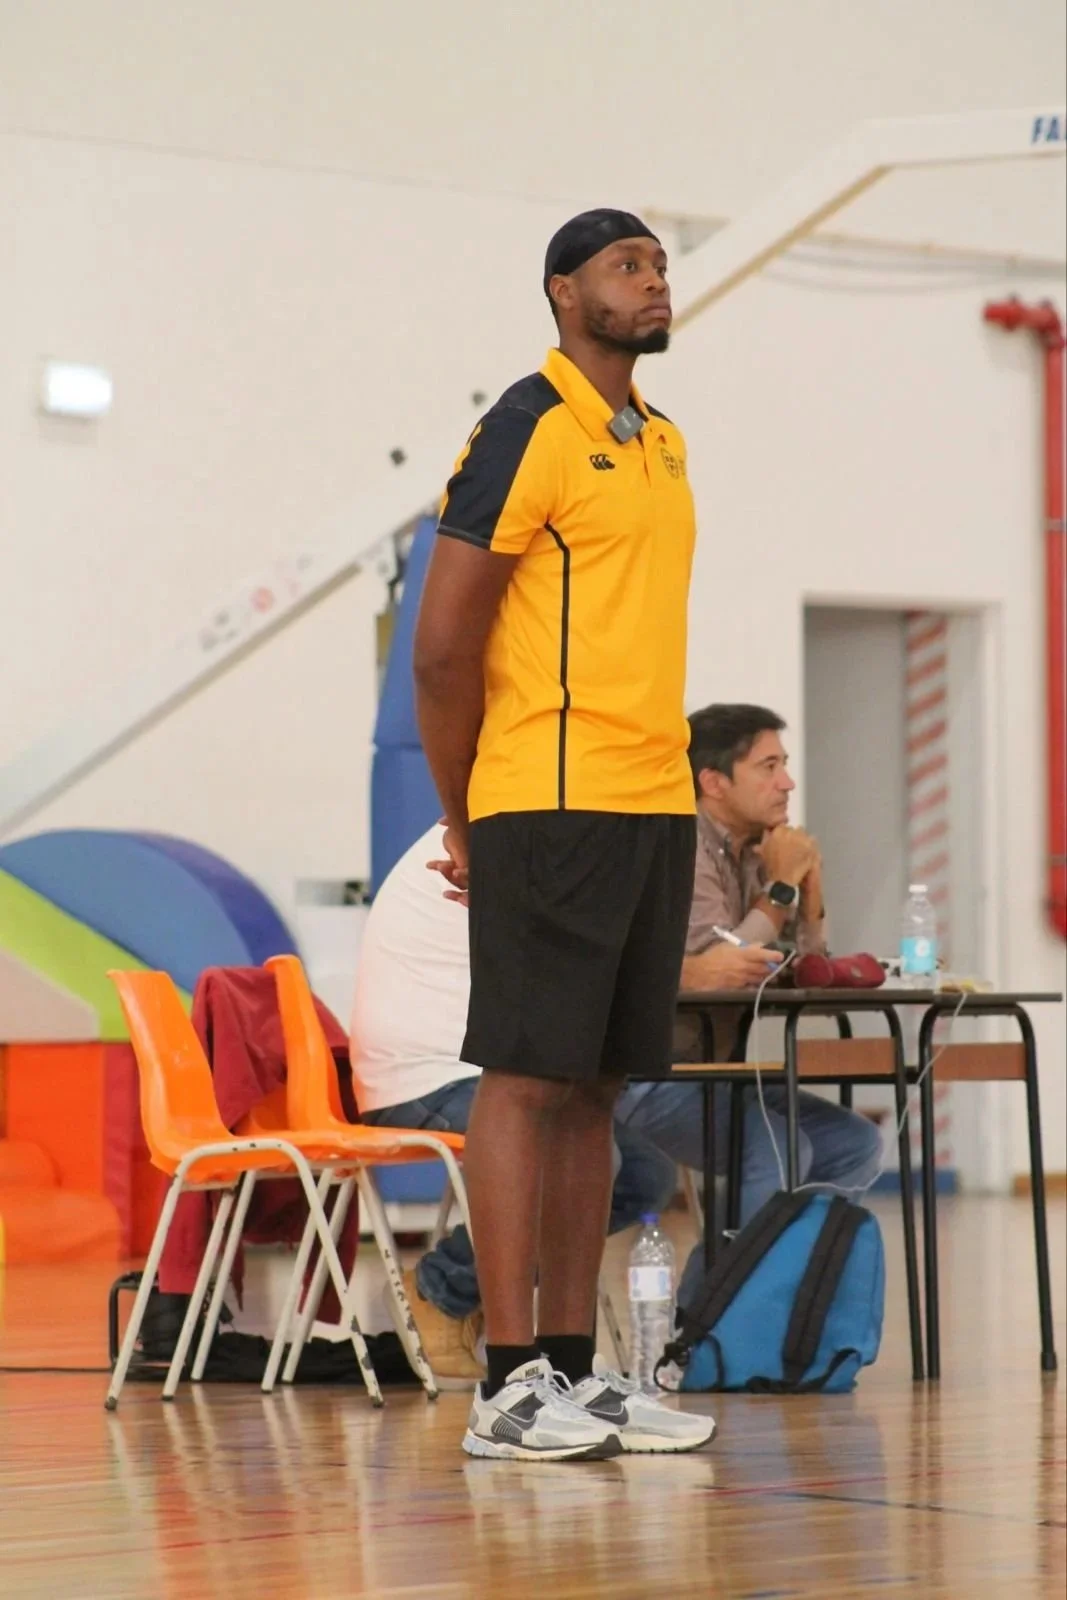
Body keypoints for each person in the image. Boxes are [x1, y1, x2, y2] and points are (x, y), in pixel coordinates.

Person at [412, 208, 714, 1460]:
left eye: (656, 265)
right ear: (561, 292)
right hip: (543, 794)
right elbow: (441, 646)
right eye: (624, 267)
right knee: (526, 1078)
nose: (651, 284)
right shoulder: (525, 425)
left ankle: (576, 1373)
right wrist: (464, 814)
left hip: (650, 801)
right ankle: (500, 1381)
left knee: (596, 1090)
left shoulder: (661, 441)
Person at [352, 822, 680, 1382]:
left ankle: (542, 1347)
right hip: (426, 1076)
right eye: (769, 768)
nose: (786, 782)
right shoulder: (510, 835)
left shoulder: (550, 835)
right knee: (614, 1161)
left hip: (477, 1063)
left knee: (645, 1173)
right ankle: (442, 1292)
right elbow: (592, 962)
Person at [614, 703, 883, 1302]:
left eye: (784, 764)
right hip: (649, 1075)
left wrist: (806, 892)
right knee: (776, 1148)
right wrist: (781, 891)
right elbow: (721, 965)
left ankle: (781, 1290)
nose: (786, 781)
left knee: (856, 1144)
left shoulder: (753, 851)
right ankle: (710, 1317)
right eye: (768, 766)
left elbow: (806, 963)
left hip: (719, 1074)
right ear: (713, 782)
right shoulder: (680, 843)